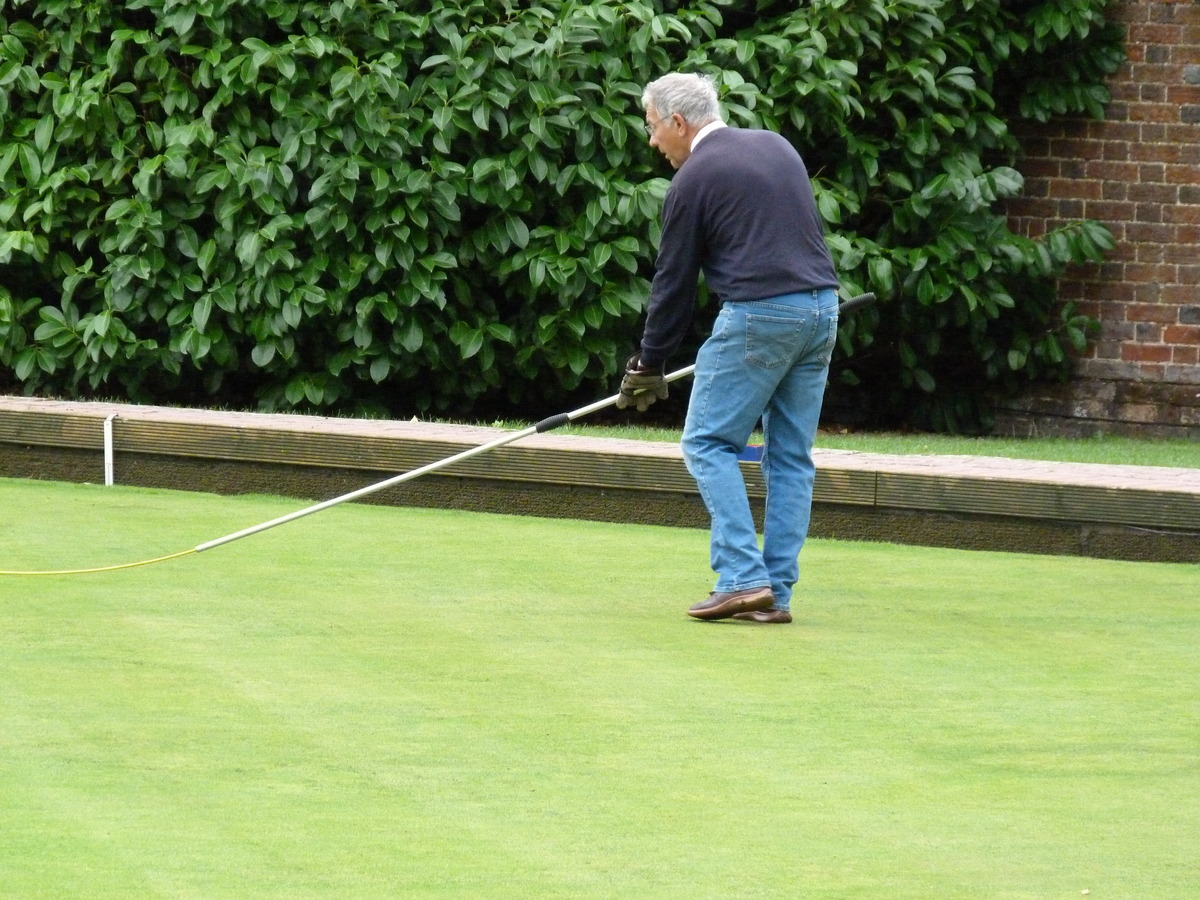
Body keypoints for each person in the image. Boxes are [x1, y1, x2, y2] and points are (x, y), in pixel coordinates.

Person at [616, 72, 840, 625]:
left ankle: (742, 577)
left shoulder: (693, 179)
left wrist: (648, 363)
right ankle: (776, 594)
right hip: (822, 310)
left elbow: (673, 283)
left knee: (707, 443)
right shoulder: (776, 146)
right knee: (789, 458)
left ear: (677, 122)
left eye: (651, 127)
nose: (652, 142)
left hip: (760, 314)